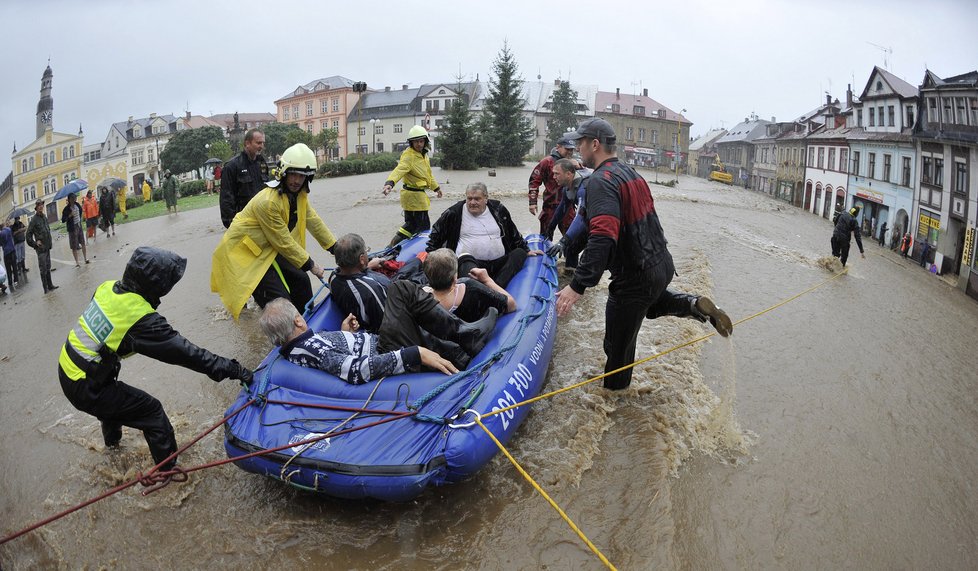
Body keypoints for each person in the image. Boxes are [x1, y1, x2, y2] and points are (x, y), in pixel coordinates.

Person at [554, 118, 733, 390]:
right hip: (660, 265)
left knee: (617, 349)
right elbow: (590, 222)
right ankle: (693, 305)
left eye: (580, 142)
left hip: (634, 275)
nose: (577, 148)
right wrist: (566, 242)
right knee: (648, 302)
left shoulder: (599, 182)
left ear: (595, 144)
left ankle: (617, 400)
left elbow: (603, 236)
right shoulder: (631, 173)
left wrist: (577, 285)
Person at [59, 247, 253, 472]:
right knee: (152, 412)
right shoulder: (140, 319)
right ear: (154, 285)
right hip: (86, 383)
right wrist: (234, 370)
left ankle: (113, 451)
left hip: (69, 368)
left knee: (112, 406)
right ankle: (166, 475)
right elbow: (187, 354)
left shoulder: (107, 287)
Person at [261, 277, 498, 378]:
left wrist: (346, 335)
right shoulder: (312, 350)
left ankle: (459, 341)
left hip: (380, 344)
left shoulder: (299, 347)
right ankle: (466, 336)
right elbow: (356, 370)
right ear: (298, 321)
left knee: (404, 309)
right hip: (387, 350)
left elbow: (338, 356)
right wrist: (413, 354)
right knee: (400, 290)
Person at [211, 143, 337, 319]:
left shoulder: (299, 195)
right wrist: (311, 265)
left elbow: (312, 220)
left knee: (301, 280)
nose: (297, 181)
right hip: (247, 255)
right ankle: (286, 336)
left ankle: (305, 324)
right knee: (280, 302)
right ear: (283, 172)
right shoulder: (269, 202)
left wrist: (335, 248)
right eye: (293, 174)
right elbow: (283, 241)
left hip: (268, 248)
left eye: (302, 176)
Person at [427, 182, 542, 288]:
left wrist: (526, 249)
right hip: (469, 264)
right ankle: (485, 290)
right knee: (465, 262)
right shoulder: (454, 212)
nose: (472, 203)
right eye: (469, 199)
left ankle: (496, 287)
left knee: (519, 253)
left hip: (498, 262)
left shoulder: (499, 210)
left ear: (486, 198)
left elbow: (512, 232)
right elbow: (435, 236)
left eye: (477, 199)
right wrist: (432, 258)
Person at [382, 125, 442, 247]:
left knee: (411, 225)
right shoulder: (409, 155)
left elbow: (428, 175)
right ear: (411, 142)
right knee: (423, 227)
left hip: (417, 197)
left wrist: (437, 188)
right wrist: (390, 183)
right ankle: (396, 248)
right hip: (414, 197)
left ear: (425, 141)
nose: (419, 144)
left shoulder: (423, 155)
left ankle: (394, 247)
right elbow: (399, 170)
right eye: (416, 142)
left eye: (421, 141)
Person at [545, 158, 591, 271]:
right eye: (553, 173)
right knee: (570, 249)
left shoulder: (582, 189)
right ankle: (569, 277)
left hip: (600, 225)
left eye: (557, 174)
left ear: (569, 174)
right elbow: (562, 208)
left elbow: (580, 217)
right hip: (587, 221)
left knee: (588, 259)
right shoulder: (567, 187)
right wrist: (551, 226)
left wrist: (563, 241)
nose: (553, 177)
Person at [528, 136, 578, 239]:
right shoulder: (546, 162)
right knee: (546, 237)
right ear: (558, 147)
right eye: (567, 149)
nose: (570, 152)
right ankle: (546, 253)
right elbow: (534, 181)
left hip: (568, 206)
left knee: (572, 239)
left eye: (571, 149)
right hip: (550, 206)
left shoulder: (574, 163)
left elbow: (584, 181)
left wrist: (578, 166)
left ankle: (569, 254)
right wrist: (532, 202)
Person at [220, 128, 268, 228]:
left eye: (263, 143)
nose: (261, 146)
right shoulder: (232, 166)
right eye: (258, 143)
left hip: (262, 219)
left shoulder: (262, 163)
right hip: (243, 222)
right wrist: (231, 224)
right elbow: (226, 198)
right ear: (247, 143)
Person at [26, 199, 57, 293]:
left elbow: (47, 229)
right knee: (43, 269)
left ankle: (50, 285)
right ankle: (45, 289)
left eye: (42, 205)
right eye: (39, 205)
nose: (41, 206)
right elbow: (28, 236)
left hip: (47, 247)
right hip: (41, 249)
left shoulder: (44, 217)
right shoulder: (33, 220)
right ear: (36, 207)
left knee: (48, 267)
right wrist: (35, 244)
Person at [61, 192, 90, 266]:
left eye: (75, 198)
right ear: (69, 199)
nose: (74, 199)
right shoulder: (66, 209)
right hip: (72, 228)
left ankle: (85, 258)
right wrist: (69, 216)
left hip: (79, 226)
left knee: (82, 243)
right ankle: (77, 262)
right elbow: (63, 220)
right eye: (73, 198)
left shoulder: (77, 205)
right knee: (74, 246)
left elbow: (80, 211)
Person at [1, 221, 18, 290]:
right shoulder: (8, 229)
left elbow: (1, 243)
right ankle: (16, 280)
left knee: (8, 268)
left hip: (6, 252)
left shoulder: (1, 233)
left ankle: (10, 282)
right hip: (12, 250)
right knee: (14, 266)